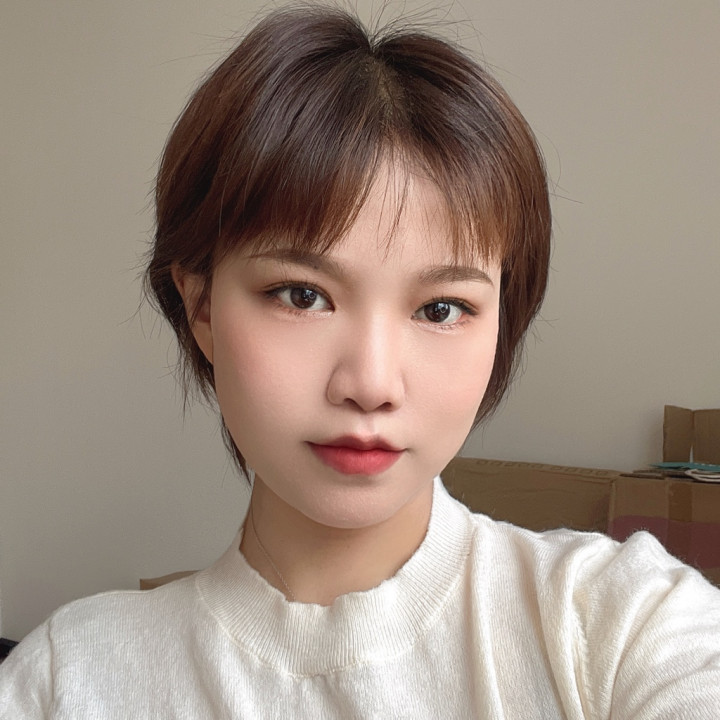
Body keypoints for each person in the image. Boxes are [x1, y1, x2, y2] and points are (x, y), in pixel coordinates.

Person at [2, 5, 720, 718]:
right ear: (201, 308)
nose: (372, 384)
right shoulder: (71, 679)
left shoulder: (616, 622)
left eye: (441, 309)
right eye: (302, 295)